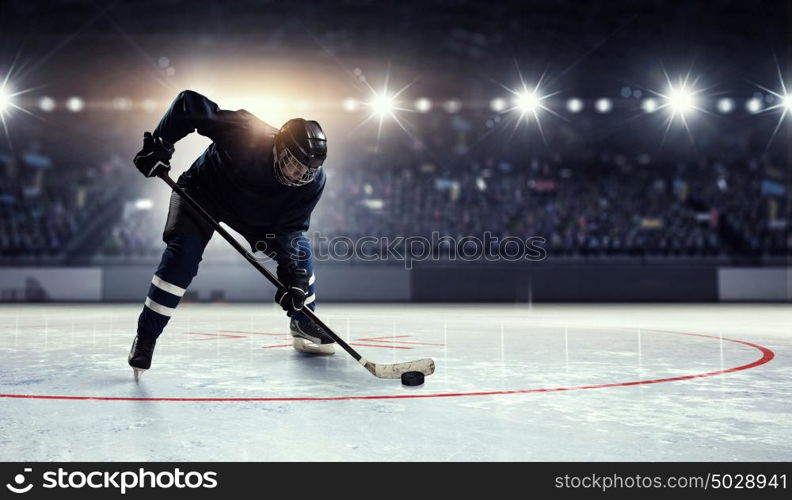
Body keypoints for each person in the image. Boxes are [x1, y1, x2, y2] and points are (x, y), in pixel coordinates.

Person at [127, 90, 333, 381]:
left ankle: (304, 319)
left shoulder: (312, 183)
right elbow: (188, 104)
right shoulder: (247, 132)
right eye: (295, 163)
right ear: (279, 146)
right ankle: (146, 336)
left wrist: (294, 279)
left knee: (301, 257)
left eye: (308, 170)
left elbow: (291, 229)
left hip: (258, 217)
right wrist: (161, 143)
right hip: (203, 193)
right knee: (182, 258)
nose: (300, 175)